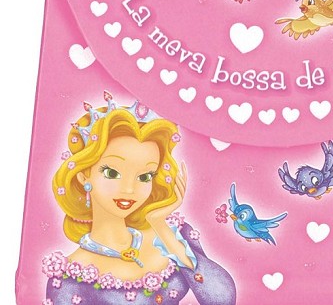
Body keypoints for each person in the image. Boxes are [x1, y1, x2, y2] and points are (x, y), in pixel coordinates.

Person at [42, 91, 236, 304]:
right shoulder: (69, 278)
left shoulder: (171, 233)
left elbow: (222, 299)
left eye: (144, 177)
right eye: (112, 173)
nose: (129, 189)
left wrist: (161, 227)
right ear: (83, 175)